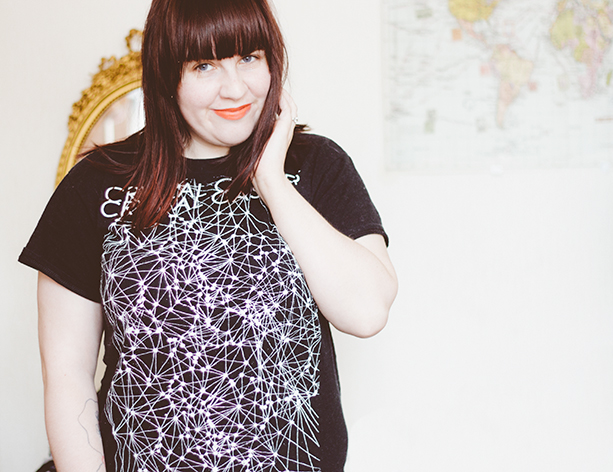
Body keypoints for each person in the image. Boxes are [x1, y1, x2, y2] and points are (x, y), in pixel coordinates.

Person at [19, 0, 398, 471]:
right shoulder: (96, 184)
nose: (235, 88)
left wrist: (272, 181)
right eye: (204, 65)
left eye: (249, 58)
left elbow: (366, 312)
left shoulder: (317, 165)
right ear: (167, 74)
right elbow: (67, 379)